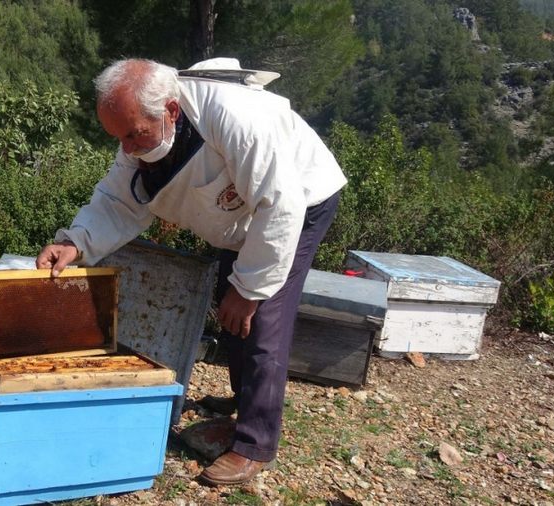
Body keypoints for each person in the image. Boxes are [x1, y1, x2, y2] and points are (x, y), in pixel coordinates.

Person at [36, 58, 346, 486]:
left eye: (133, 135)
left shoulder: (237, 119)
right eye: (118, 137)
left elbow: (280, 204)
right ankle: (242, 409)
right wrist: (75, 242)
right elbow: (118, 200)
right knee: (229, 303)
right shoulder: (143, 125)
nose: (126, 148)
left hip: (300, 199)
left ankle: (254, 446)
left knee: (263, 316)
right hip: (248, 213)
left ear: (171, 111)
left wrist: (251, 287)